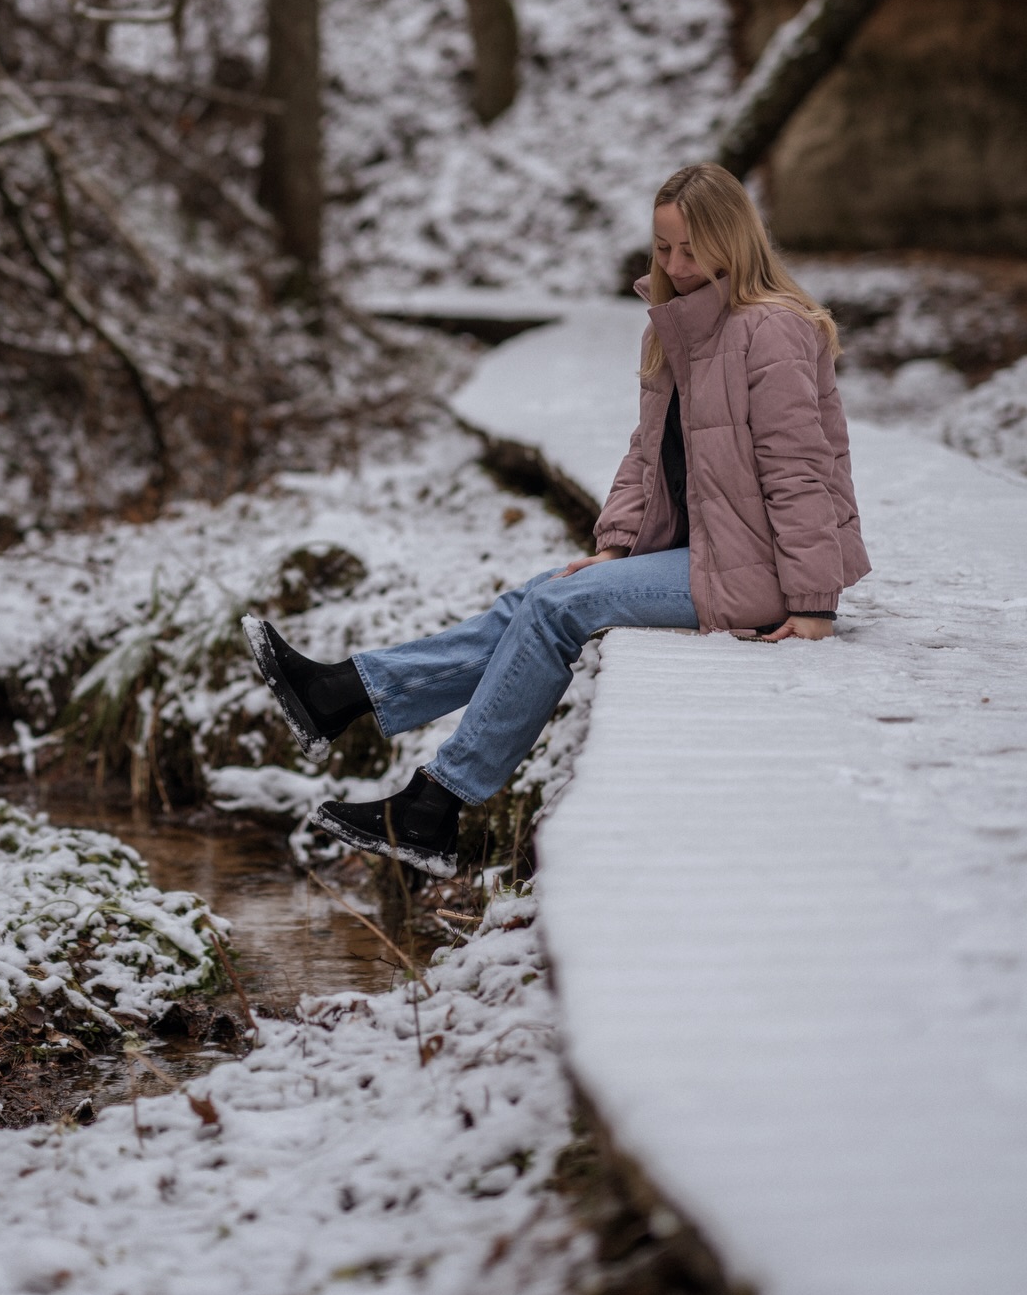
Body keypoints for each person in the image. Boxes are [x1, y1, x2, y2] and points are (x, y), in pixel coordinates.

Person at [242, 163, 870, 879]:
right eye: (662, 249)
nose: (675, 265)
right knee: (534, 596)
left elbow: (801, 472)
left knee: (554, 608)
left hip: (759, 572)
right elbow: (646, 454)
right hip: (704, 552)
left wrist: (815, 602)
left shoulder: (774, 332)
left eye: (691, 250)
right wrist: (616, 546)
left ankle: (433, 803)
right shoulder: (678, 325)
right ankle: (340, 696)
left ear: (736, 241)